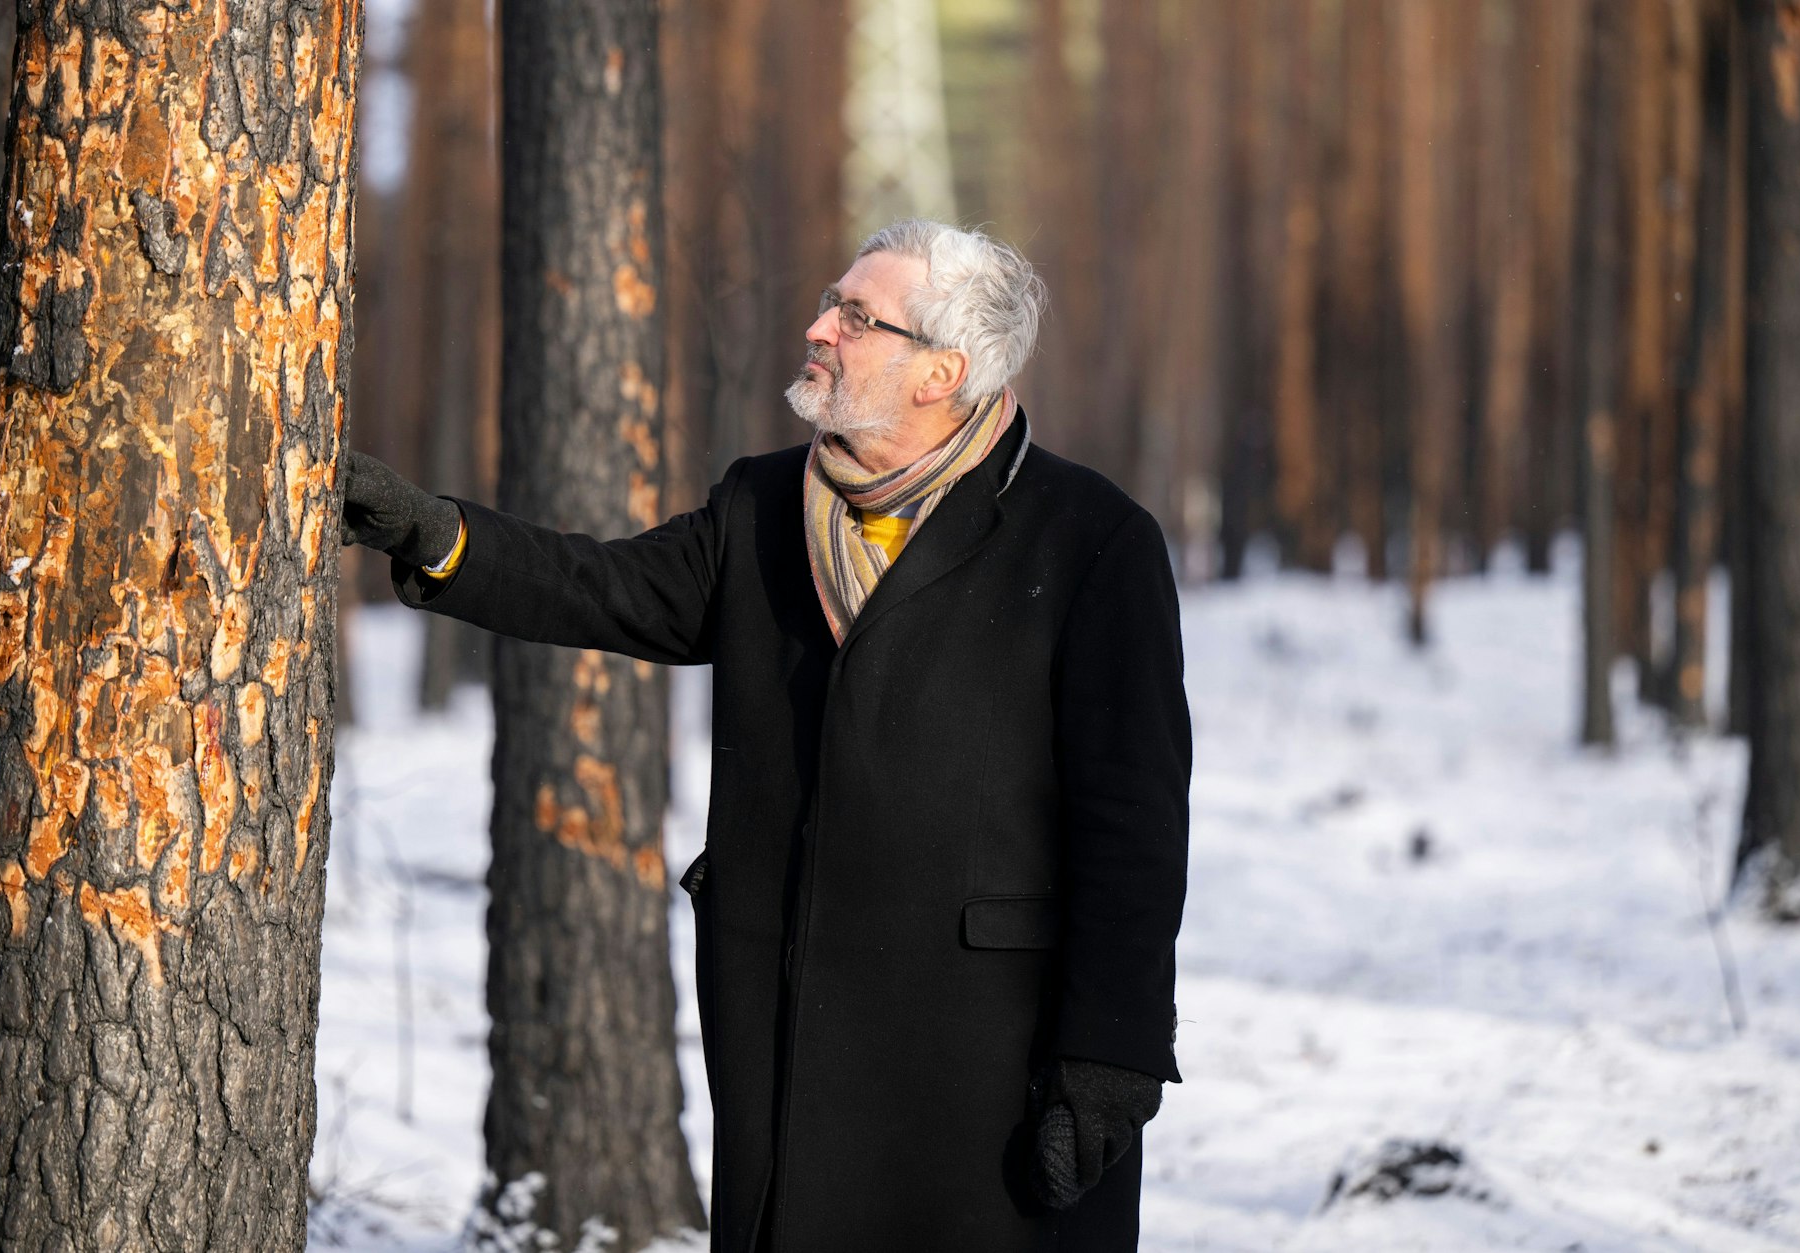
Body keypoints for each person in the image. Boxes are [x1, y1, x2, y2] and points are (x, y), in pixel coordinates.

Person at [342, 219, 1192, 1253]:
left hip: (985, 1045)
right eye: (829, 302)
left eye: (854, 315)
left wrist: (1113, 1051)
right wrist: (438, 536)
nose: (816, 327)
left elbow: (1133, 818)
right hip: (788, 1013)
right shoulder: (760, 506)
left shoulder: (1090, 537)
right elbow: (605, 588)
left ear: (942, 371)